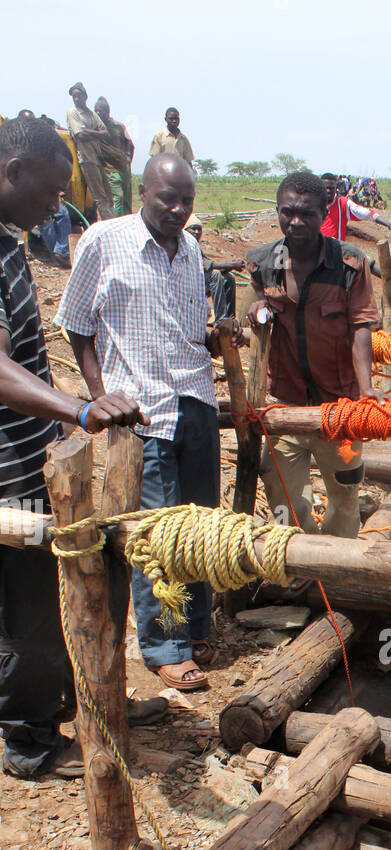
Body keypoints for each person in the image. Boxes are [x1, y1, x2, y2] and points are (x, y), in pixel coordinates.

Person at [57, 153, 243, 692]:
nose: (179, 210)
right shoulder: (102, 240)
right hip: (142, 412)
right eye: (169, 200)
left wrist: (218, 337)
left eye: (187, 201)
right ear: (143, 192)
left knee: (202, 522)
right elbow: (77, 326)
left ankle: (197, 625)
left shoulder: (191, 252)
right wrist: (100, 394)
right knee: (157, 534)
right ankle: (165, 644)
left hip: (195, 402)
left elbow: (188, 334)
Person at [0, 114, 144, 778]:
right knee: (27, 607)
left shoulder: (10, 240)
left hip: (33, 453)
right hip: (7, 470)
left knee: (60, 586)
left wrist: (58, 425)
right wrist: (78, 409)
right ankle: (29, 741)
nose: (59, 204)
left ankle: (77, 701)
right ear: (13, 172)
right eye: (53, 191)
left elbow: (28, 354)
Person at [245, 170, 379, 564]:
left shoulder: (349, 264)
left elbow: (361, 326)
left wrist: (366, 388)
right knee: (285, 500)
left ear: (325, 211)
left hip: (340, 409)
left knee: (345, 494)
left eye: (306, 213)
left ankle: (337, 567)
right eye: (287, 213)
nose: (296, 222)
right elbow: (248, 313)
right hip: (284, 408)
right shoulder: (262, 263)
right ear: (278, 211)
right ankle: (302, 568)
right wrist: (254, 311)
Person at [65, 82, 113, 221]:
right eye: (74, 96)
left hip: (98, 158)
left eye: (78, 95)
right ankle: (109, 225)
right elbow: (80, 135)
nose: (76, 99)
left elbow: (106, 132)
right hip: (87, 158)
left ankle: (110, 221)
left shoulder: (91, 114)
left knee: (108, 195)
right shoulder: (72, 112)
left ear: (85, 97)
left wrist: (88, 131)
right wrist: (96, 133)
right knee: (100, 197)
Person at [184, 213, 242, 323]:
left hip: (199, 283)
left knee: (228, 278)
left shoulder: (196, 246)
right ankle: (220, 321)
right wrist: (232, 265)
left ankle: (229, 319)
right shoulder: (185, 245)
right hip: (188, 286)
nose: (196, 232)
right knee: (215, 275)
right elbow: (206, 266)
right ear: (186, 230)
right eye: (193, 229)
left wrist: (231, 267)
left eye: (199, 229)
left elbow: (208, 266)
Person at [320, 172, 391, 240]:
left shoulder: (343, 204)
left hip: (335, 251)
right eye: (325, 188)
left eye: (331, 188)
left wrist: (388, 224)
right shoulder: (313, 204)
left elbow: (367, 213)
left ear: (336, 188)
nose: (328, 191)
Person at [93, 97, 134, 217]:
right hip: (109, 170)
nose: (98, 113)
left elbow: (129, 143)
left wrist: (127, 158)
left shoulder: (119, 126)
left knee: (126, 199)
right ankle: (115, 224)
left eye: (101, 110)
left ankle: (127, 224)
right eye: (96, 110)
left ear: (108, 111)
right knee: (118, 197)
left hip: (123, 168)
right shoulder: (95, 128)